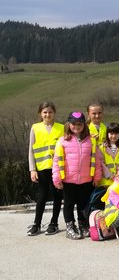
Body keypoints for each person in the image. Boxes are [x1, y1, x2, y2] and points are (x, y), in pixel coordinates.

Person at [52, 111, 103, 239]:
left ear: (84, 125)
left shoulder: (91, 141)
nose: (76, 127)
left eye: (80, 124)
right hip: (68, 180)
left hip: (86, 180)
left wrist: (97, 177)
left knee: (83, 204)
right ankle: (70, 227)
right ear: (68, 125)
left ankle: (82, 225)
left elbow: (96, 160)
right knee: (69, 204)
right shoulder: (63, 141)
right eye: (73, 124)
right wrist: (57, 179)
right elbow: (56, 162)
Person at [27, 101, 64, 236]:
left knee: (57, 196)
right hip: (42, 168)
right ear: (40, 114)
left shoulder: (61, 128)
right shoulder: (35, 128)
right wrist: (32, 169)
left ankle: (54, 223)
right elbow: (31, 150)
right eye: (45, 112)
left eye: (50, 112)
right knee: (41, 196)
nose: (47, 114)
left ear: (54, 113)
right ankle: (36, 224)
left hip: (57, 169)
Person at [97, 122, 119, 189]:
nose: (114, 136)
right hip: (106, 182)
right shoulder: (102, 148)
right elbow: (101, 163)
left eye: (116, 133)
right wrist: (110, 175)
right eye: (111, 133)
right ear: (107, 134)